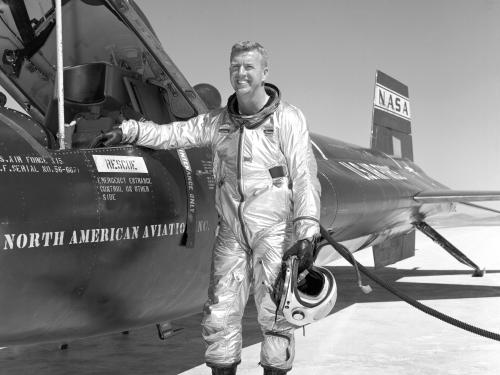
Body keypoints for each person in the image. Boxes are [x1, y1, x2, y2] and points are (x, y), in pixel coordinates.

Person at [101, 41, 321, 375]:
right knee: (220, 314)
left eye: (248, 66)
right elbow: (171, 134)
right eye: (235, 66)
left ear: (265, 72)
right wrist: (127, 130)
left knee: (276, 311)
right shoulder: (219, 122)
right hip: (232, 231)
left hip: (274, 230)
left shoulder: (288, 119)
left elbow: (305, 176)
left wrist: (306, 232)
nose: (240, 73)